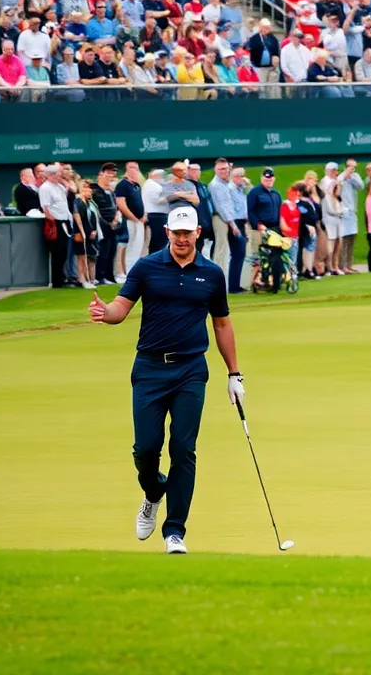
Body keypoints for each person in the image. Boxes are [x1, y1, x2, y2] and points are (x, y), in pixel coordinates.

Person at [88, 206, 243, 555]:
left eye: (188, 233)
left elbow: (222, 324)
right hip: (150, 369)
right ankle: (154, 491)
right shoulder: (147, 267)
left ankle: (175, 531)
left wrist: (234, 373)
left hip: (191, 370)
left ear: (198, 233)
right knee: (145, 449)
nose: (182, 238)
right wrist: (105, 313)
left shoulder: (212, 274)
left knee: (183, 450)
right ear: (168, 233)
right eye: (177, 232)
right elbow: (121, 308)